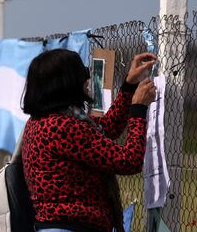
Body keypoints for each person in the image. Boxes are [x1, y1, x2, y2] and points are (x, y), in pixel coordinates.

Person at [21, 49, 157, 232]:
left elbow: (106, 129)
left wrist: (129, 86)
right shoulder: (63, 127)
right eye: (83, 73)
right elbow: (129, 161)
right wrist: (138, 110)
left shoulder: (42, 121)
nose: (87, 79)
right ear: (67, 81)